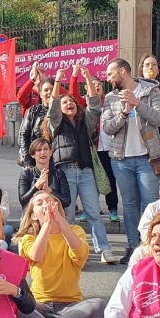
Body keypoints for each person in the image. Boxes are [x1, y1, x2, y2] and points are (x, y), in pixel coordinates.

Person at [15, 191, 105, 318]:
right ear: (33, 216)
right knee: (14, 307)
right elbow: (36, 256)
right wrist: (48, 225)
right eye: (40, 203)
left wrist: (59, 221)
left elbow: (80, 254)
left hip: (70, 305)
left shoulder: (75, 231)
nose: (46, 205)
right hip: (40, 304)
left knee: (100, 305)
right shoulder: (28, 237)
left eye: (49, 201)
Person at [101, 58, 160, 261]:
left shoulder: (151, 91)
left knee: (150, 204)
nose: (108, 78)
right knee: (129, 205)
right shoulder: (111, 98)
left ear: (123, 71)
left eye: (111, 73)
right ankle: (132, 247)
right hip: (121, 160)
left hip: (147, 159)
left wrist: (138, 104)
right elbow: (106, 128)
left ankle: (150, 247)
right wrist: (124, 112)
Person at [46, 78, 117, 264]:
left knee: (93, 213)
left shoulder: (85, 122)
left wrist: (87, 77)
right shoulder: (55, 123)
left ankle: (104, 250)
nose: (69, 103)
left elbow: (94, 107)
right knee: (68, 215)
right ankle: (70, 251)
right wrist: (58, 82)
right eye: (64, 102)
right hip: (65, 172)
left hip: (86, 172)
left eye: (71, 101)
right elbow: (52, 108)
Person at [18, 139, 71, 209]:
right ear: (33, 154)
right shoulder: (26, 174)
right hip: (32, 217)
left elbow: (67, 201)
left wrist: (49, 190)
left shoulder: (59, 174)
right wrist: (36, 186)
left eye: (46, 149)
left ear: (50, 153)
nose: (43, 152)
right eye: (39, 150)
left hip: (54, 216)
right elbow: (23, 201)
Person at [17, 78, 57, 168]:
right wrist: (28, 161)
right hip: (34, 162)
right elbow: (23, 135)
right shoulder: (34, 111)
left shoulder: (62, 111)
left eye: (53, 89)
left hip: (56, 162)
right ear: (40, 93)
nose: (49, 93)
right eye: (46, 90)